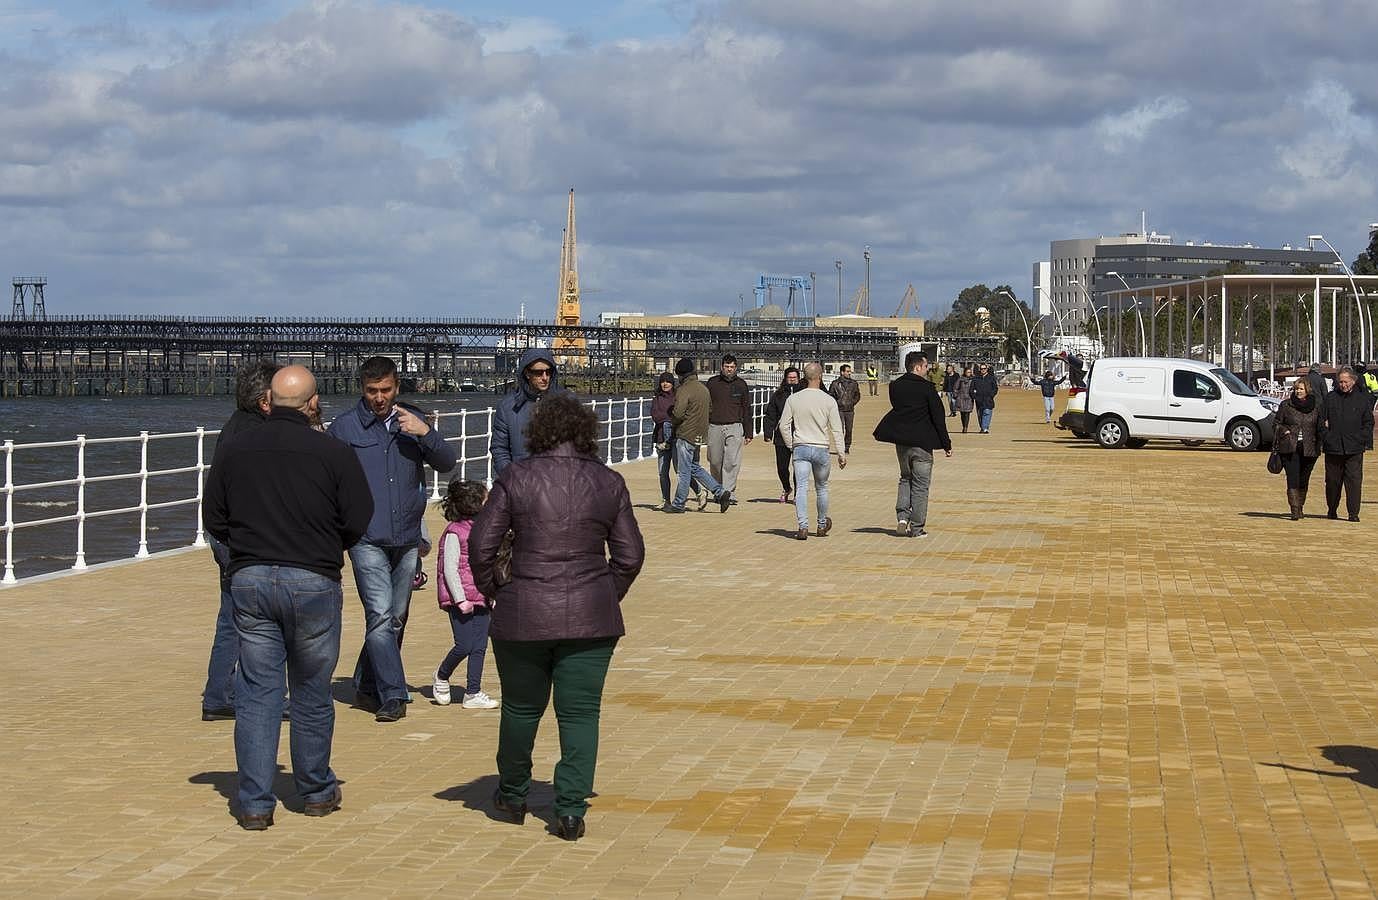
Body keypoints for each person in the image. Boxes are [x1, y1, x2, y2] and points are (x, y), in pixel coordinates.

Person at [469, 393, 646, 842]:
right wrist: (606, 592)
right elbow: (630, 554)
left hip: (523, 610)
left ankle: (512, 794)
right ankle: (570, 810)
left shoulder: (516, 476)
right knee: (581, 713)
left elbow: (480, 547)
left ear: (538, 431)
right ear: (586, 432)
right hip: (591, 614)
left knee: (520, 708)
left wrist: (497, 591)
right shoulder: (609, 482)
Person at [204, 365, 373, 831]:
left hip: (252, 578)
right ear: (312, 403)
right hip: (313, 580)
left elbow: (214, 518)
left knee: (258, 693)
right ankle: (315, 790)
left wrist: (249, 545)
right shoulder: (333, 451)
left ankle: (256, 802)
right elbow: (359, 517)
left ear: (270, 401)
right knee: (311, 691)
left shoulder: (235, 449)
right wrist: (323, 542)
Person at [328, 356, 458, 723]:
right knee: (381, 615)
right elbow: (327, 480)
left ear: (396, 387)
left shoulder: (410, 422)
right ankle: (392, 693)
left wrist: (424, 432)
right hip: (365, 537)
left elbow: (447, 462)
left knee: (395, 617)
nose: (379, 397)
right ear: (362, 389)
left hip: (406, 536)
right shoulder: (344, 429)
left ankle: (367, 683)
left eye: (385, 390)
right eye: (372, 391)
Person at [202, 361, 280, 722]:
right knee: (263, 621)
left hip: (226, 536)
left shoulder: (233, 428)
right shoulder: (259, 437)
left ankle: (219, 693)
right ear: (266, 400)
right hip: (245, 539)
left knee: (230, 618)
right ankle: (262, 698)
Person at [431, 479, 499, 710]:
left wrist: (493, 592)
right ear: (474, 503)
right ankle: (441, 675)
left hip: (482, 596)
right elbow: (450, 569)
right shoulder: (454, 532)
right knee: (464, 645)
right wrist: (460, 599)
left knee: (480, 646)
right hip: (460, 599)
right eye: (486, 499)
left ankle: (473, 692)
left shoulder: (486, 528)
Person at [873, 351, 952, 538]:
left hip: (902, 442)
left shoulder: (895, 386)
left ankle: (902, 516)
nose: (927, 369)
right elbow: (938, 417)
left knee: (905, 478)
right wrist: (946, 443)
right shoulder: (927, 388)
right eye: (925, 366)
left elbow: (899, 408)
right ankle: (916, 527)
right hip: (922, 443)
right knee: (921, 485)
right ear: (917, 367)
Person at [778, 362, 846, 540]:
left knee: (801, 487)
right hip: (821, 447)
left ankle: (803, 527)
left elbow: (784, 425)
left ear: (804, 377)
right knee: (822, 487)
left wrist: (790, 444)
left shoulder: (793, 399)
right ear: (820, 376)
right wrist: (841, 453)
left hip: (801, 446)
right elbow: (837, 429)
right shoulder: (828, 400)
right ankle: (822, 524)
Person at [667, 358, 731, 513]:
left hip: (685, 434)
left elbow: (678, 413)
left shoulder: (684, 389)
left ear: (681, 375)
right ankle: (720, 492)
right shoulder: (703, 389)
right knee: (694, 467)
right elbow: (709, 409)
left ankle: (678, 503)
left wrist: (671, 414)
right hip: (700, 434)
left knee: (683, 471)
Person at [492, 348, 568, 475]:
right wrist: (511, 478)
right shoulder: (507, 407)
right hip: (523, 483)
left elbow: (581, 443)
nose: (545, 377)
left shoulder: (567, 402)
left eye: (548, 372)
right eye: (538, 373)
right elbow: (499, 449)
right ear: (527, 373)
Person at [1319, 366, 1373, 522]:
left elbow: (1368, 423)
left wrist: (1361, 438)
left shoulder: (1362, 399)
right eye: (1340, 382)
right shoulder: (1330, 398)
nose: (1343, 385)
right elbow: (1320, 421)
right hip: (1333, 448)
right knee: (1332, 482)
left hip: (1354, 449)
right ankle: (1332, 510)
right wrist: (1326, 437)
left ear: (1353, 381)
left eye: (1345, 382)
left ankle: (1353, 513)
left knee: (1354, 482)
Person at [705, 354, 754, 503]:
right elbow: (705, 406)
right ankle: (719, 489)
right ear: (722, 367)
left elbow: (746, 408)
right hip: (714, 426)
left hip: (735, 426)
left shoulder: (741, 384)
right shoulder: (712, 383)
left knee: (732, 461)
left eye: (732, 367)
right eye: (727, 367)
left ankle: (729, 493)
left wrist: (748, 431)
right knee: (714, 461)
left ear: (736, 368)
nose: (729, 370)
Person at [1273, 378, 1322, 520]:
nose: (1298, 391)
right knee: (1293, 477)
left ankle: (1300, 506)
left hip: (1309, 447)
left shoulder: (1316, 406)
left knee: (1304, 479)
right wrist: (1284, 431)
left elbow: (1319, 427)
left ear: (1307, 390)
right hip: (1290, 447)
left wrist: (1320, 443)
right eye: (1296, 389)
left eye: (1301, 389)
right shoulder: (1286, 405)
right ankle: (1294, 509)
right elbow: (1276, 423)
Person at [762, 367, 803, 502]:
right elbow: (770, 414)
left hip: (800, 435)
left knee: (799, 467)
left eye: (794, 378)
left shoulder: (804, 393)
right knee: (782, 467)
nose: (792, 380)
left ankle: (798, 493)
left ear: (799, 378)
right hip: (781, 436)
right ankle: (787, 488)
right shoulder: (778, 395)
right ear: (785, 378)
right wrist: (768, 432)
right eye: (789, 377)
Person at [827, 364, 862, 453]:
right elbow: (830, 396)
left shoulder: (853, 383)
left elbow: (857, 395)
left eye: (850, 371)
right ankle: (841, 447)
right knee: (840, 429)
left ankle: (847, 447)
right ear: (842, 372)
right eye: (847, 371)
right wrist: (837, 404)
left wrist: (852, 402)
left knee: (849, 429)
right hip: (839, 410)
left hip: (850, 410)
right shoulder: (835, 384)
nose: (849, 373)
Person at [971, 363, 1000, 433]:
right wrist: (975, 397)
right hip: (979, 400)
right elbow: (971, 389)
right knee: (980, 415)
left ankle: (985, 428)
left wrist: (991, 395)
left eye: (984, 369)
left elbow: (995, 388)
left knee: (987, 412)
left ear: (987, 369)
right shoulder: (975, 378)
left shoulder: (991, 378)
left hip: (988, 399)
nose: (983, 370)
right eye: (981, 369)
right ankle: (982, 427)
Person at [953, 365, 975, 433]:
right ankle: (963, 426)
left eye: (970, 372)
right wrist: (956, 395)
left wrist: (974, 395)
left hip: (969, 398)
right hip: (961, 398)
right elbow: (955, 388)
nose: (969, 373)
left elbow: (975, 388)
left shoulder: (973, 380)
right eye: (968, 372)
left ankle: (965, 427)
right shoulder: (960, 379)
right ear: (965, 372)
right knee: (962, 414)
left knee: (967, 413)